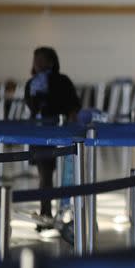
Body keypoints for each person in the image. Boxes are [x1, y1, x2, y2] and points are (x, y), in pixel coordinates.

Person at [24, 47, 81, 219]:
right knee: (45, 174)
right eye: (36, 59)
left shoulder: (63, 81)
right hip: (40, 133)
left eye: (42, 59)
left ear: (51, 61)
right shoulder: (32, 83)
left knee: (67, 174)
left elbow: (73, 105)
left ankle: (65, 211)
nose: (38, 63)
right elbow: (32, 107)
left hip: (62, 132)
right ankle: (46, 213)